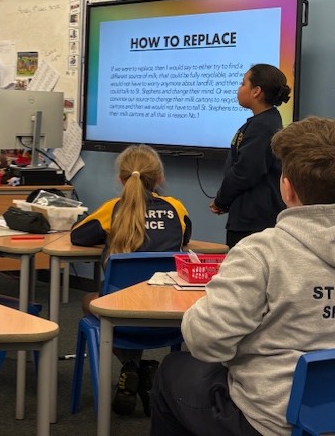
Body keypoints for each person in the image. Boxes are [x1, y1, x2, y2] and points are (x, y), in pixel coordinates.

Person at [150, 115, 335, 436]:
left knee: (173, 369)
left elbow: (206, 344)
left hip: (273, 420)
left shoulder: (260, 253)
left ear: (287, 188)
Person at [71, 144, 192, 417]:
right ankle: (142, 369)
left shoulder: (113, 209)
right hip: (170, 316)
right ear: (159, 178)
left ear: (121, 179)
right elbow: (185, 237)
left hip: (121, 317)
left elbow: (78, 236)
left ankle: (131, 366)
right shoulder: (175, 207)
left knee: (89, 300)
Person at [210, 63, 291, 248]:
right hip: (248, 217)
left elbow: (244, 172)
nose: (239, 89)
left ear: (256, 91)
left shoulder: (263, 126)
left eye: (243, 83)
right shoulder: (260, 122)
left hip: (254, 222)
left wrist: (221, 201)